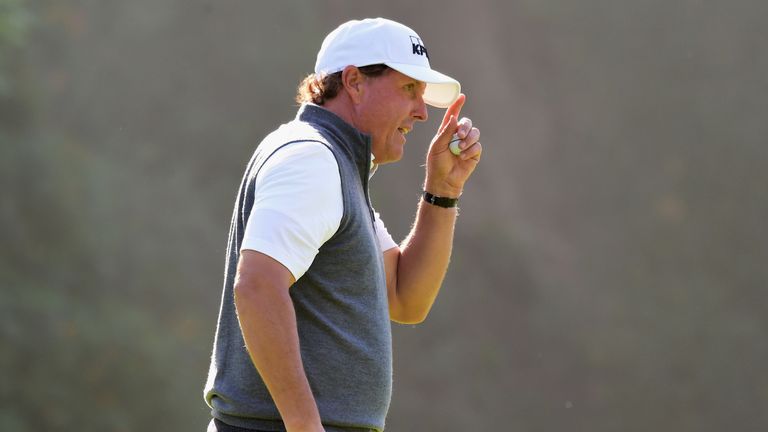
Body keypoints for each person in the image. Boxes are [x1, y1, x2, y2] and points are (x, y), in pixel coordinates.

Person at [203, 17, 482, 432]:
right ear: (354, 82)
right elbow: (257, 285)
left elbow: (406, 298)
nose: (422, 112)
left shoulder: (337, 165)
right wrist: (304, 425)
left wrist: (442, 190)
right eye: (409, 89)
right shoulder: (311, 159)